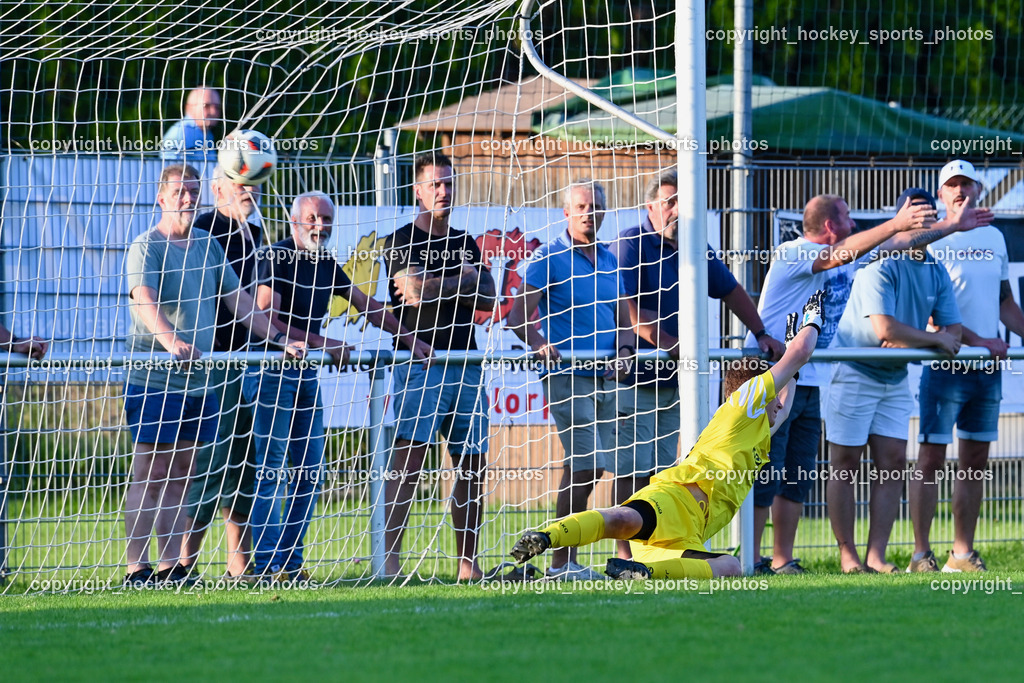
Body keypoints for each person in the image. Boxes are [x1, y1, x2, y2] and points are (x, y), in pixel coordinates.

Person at [747, 191, 990, 574]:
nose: (855, 224)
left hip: (809, 378)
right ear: (830, 225)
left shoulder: (852, 254)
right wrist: (895, 221)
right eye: (846, 217)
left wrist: (952, 225)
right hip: (770, 376)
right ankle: (749, 558)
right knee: (765, 469)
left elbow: (899, 241)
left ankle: (781, 561)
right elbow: (854, 249)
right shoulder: (794, 252)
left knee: (794, 475)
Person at [510, 292, 825, 580]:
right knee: (622, 520)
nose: (779, 401)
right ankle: (546, 537)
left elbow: (785, 403)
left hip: (688, 535)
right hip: (675, 500)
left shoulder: (759, 430)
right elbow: (802, 351)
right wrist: (813, 320)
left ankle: (639, 572)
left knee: (731, 567)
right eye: (774, 394)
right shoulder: (742, 406)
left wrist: (792, 368)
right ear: (757, 392)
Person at [122, 163, 305, 587]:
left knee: (184, 474)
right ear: (162, 198)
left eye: (193, 191)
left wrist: (279, 340)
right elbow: (144, 302)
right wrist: (172, 343)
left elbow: (241, 304)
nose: (188, 199)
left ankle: (171, 567)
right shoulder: (146, 246)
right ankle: (137, 567)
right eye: (180, 192)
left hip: (200, 382)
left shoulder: (207, 246)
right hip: (155, 378)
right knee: (150, 471)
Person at [247, 191, 431, 583]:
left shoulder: (327, 263)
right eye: (313, 218)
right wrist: (321, 341)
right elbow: (264, 317)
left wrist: (411, 340)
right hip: (269, 372)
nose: (320, 226)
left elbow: (368, 306)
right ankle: (263, 566)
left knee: (312, 470)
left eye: (327, 220)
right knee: (271, 469)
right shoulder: (274, 256)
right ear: (294, 220)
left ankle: (290, 565)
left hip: (306, 375)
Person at [610, 169, 785, 560]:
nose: (676, 210)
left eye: (682, 203)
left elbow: (731, 290)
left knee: (661, 470)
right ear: (650, 206)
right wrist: (671, 343)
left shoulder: (694, 246)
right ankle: (620, 554)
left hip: (675, 380)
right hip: (632, 376)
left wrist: (761, 333)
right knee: (628, 467)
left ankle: (653, 550)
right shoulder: (629, 243)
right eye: (669, 201)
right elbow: (626, 311)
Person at [826, 188, 963, 574]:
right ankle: (848, 558)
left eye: (928, 215)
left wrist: (919, 335)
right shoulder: (880, 262)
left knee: (891, 464)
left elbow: (952, 326)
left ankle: (876, 557)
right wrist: (932, 337)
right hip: (854, 371)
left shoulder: (935, 269)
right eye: (915, 214)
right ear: (901, 216)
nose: (923, 222)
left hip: (894, 377)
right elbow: (885, 329)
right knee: (845, 464)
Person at [506, 178, 635, 581]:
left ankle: (566, 559)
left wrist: (627, 349)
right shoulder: (548, 257)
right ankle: (560, 562)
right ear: (566, 212)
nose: (589, 214)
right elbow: (516, 318)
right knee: (586, 463)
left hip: (606, 378)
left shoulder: (611, 259)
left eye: (595, 207)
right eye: (581, 207)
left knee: (593, 467)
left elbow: (625, 318)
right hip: (566, 375)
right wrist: (539, 343)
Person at [381, 152, 496, 581]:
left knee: (473, 464)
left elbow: (489, 296)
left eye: (448, 183)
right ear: (417, 189)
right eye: (434, 185)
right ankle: (390, 560)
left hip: (466, 362)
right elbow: (411, 292)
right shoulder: (399, 241)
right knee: (409, 462)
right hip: (420, 362)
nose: (443, 191)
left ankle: (469, 564)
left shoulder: (466, 241)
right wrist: (462, 280)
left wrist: (445, 283)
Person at [908, 161, 1024, 573]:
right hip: (944, 365)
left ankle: (962, 553)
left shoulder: (994, 237)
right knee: (930, 459)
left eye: (965, 184)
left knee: (975, 459)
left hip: (986, 369)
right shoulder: (930, 239)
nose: (959, 191)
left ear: (977, 189)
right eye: (951, 185)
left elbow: (1005, 301)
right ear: (941, 195)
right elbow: (931, 316)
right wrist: (981, 341)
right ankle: (921, 555)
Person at [179, 166, 263, 580]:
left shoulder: (256, 233)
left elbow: (250, 304)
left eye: (253, 182)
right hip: (209, 365)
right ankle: (181, 563)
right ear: (217, 189)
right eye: (239, 182)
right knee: (209, 464)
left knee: (244, 464)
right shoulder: (205, 229)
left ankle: (239, 564)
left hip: (244, 363)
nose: (248, 190)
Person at [160, 87, 221, 162]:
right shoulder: (181, 133)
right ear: (189, 107)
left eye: (217, 107)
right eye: (206, 106)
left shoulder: (207, 134)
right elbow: (172, 170)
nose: (213, 112)